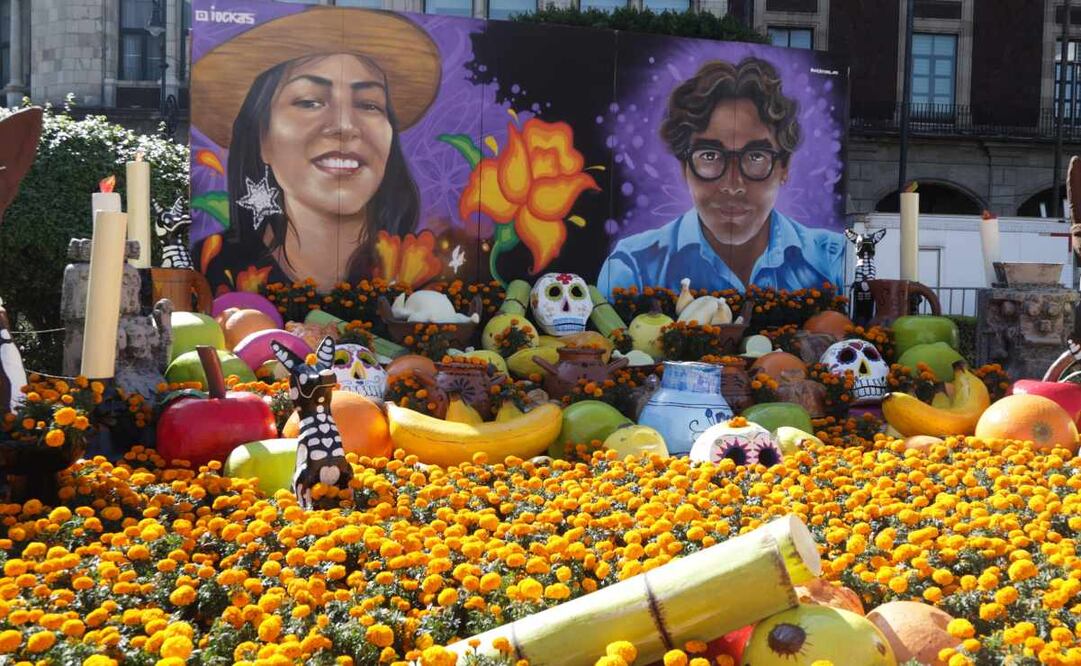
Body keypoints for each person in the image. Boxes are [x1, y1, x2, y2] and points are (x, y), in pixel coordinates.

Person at [191, 8, 442, 292]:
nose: (345, 126)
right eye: (310, 101)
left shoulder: (422, 272)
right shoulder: (215, 265)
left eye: (369, 104)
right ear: (263, 138)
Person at [597, 57, 844, 298]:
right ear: (684, 168)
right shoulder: (634, 269)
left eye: (756, 157)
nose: (732, 185)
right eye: (710, 156)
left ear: (784, 167)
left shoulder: (834, 261)